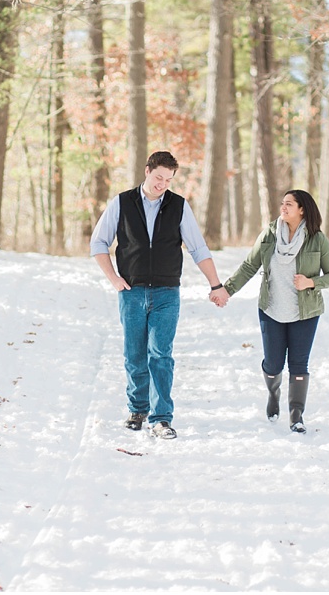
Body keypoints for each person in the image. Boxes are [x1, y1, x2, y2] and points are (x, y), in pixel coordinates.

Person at [91, 151, 228, 440]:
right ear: (147, 171)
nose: (162, 184)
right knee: (134, 355)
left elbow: (198, 249)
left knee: (160, 354)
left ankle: (161, 418)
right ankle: (137, 409)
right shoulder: (122, 202)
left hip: (167, 292)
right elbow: (99, 243)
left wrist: (216, 285)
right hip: (132, 291)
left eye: (168, 180)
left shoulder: (179, 206)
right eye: (158, 178)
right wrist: (114, 279)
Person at [215, 190, 329, 433]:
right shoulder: (270, 235)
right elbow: (250, 265)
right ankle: (273, 394)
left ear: (302, 209)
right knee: (273, 364)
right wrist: (227, 290)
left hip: (304, 312)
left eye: (289, 204)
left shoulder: (317, 239)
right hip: (271, 310)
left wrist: (311, 282)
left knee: (299, 364)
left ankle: (296, 415)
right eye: (282, 203)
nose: (283, 207)